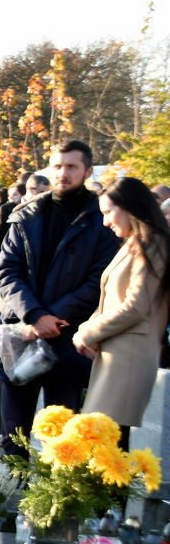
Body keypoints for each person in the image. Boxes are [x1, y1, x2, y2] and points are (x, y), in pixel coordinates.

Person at [0, 140, 119, 454]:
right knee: (14, 437)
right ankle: (13, 486)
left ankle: (54, 488)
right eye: (58, 166)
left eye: (72, 167)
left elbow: (100, 280)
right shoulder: (26, 214)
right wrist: (35, 315)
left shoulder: (101, 219)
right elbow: (6, 271)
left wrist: (53, 318)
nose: (63, 173)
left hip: (70, 336)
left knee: (62, 442)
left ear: (87, 171)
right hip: (22, 333)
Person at [71, 177, 170, 433]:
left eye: (108, 212)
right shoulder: (136, 243)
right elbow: (110, 299)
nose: (105, 222)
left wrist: (87, 333)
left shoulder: (153, 243)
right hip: (117, 353)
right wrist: (87, 330)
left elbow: (136, 306)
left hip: (129, 357)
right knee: (103, 440)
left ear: (129, 207)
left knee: (108, 441)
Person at [0, 173, 48, 262]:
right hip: (7, 262)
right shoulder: (6, 209)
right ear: (31, 189)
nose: (45, 196)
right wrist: (3, 260)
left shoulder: (48, 209)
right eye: (42, 192)